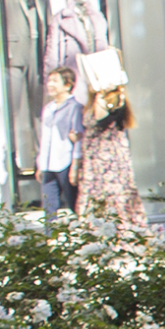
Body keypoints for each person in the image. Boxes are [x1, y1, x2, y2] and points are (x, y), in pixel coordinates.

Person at [75, 76, 145, 233]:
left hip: (108, 160)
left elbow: (102, 119)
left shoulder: (114, 99)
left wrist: (102, 93)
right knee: (94, 196)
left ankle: (122, 230)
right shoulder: (92, 102)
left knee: (112, 196)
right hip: (93, 159)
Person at [35, 66, 79, 213]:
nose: (50, 84)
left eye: (55, 81)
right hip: (49, 164)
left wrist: (76, 165)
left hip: (66, 161)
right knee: (49, 206)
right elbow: (45, 138)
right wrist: (41, 164)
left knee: (75, 203)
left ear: (68, 85)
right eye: (49, 80)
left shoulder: (75, 107)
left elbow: (79, 138)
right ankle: (49, 235)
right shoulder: (48, 108)